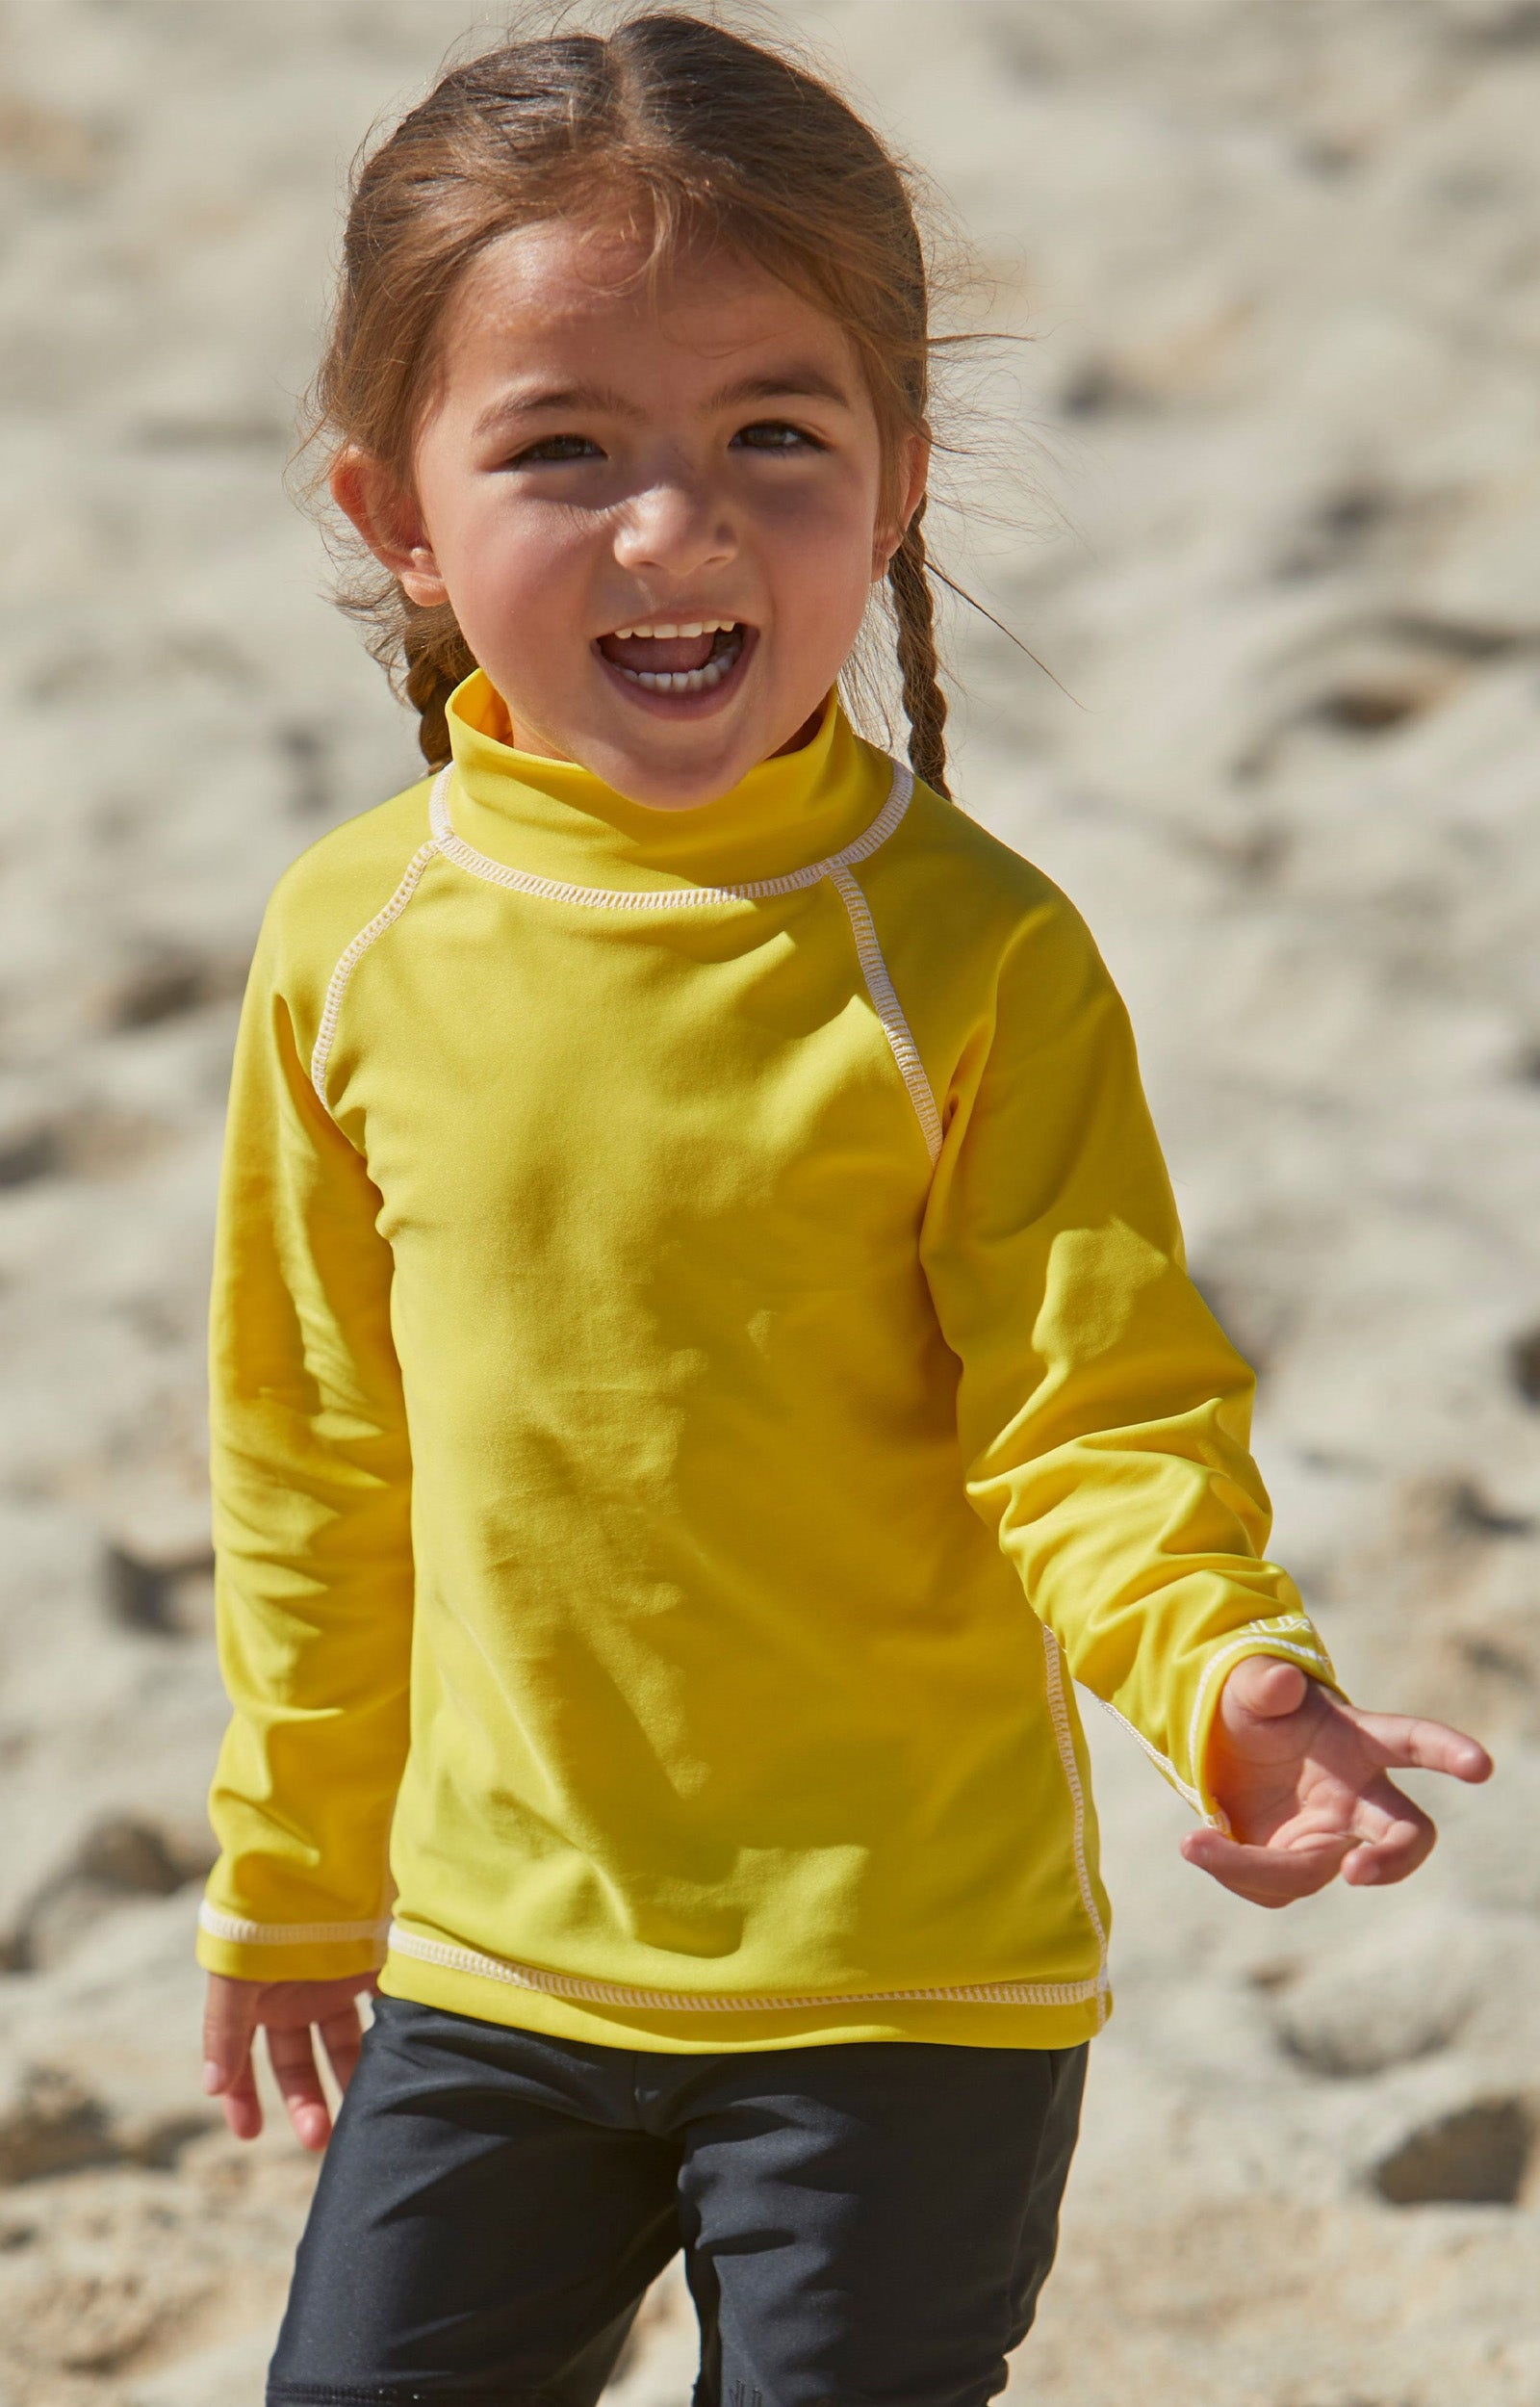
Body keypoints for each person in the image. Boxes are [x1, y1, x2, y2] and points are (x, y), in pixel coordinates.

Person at [194, 15, 1493, 2406]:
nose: (671, 529)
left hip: (907, 1982)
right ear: (396, 512)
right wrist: (295, 1867)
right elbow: (312, 1457)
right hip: (496, 1959)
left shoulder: (976, 958)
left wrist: (1229, 1681)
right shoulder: (352, 941)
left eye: (768, 439)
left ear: (892, 480)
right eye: (562, 448)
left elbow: (1094, 1407)